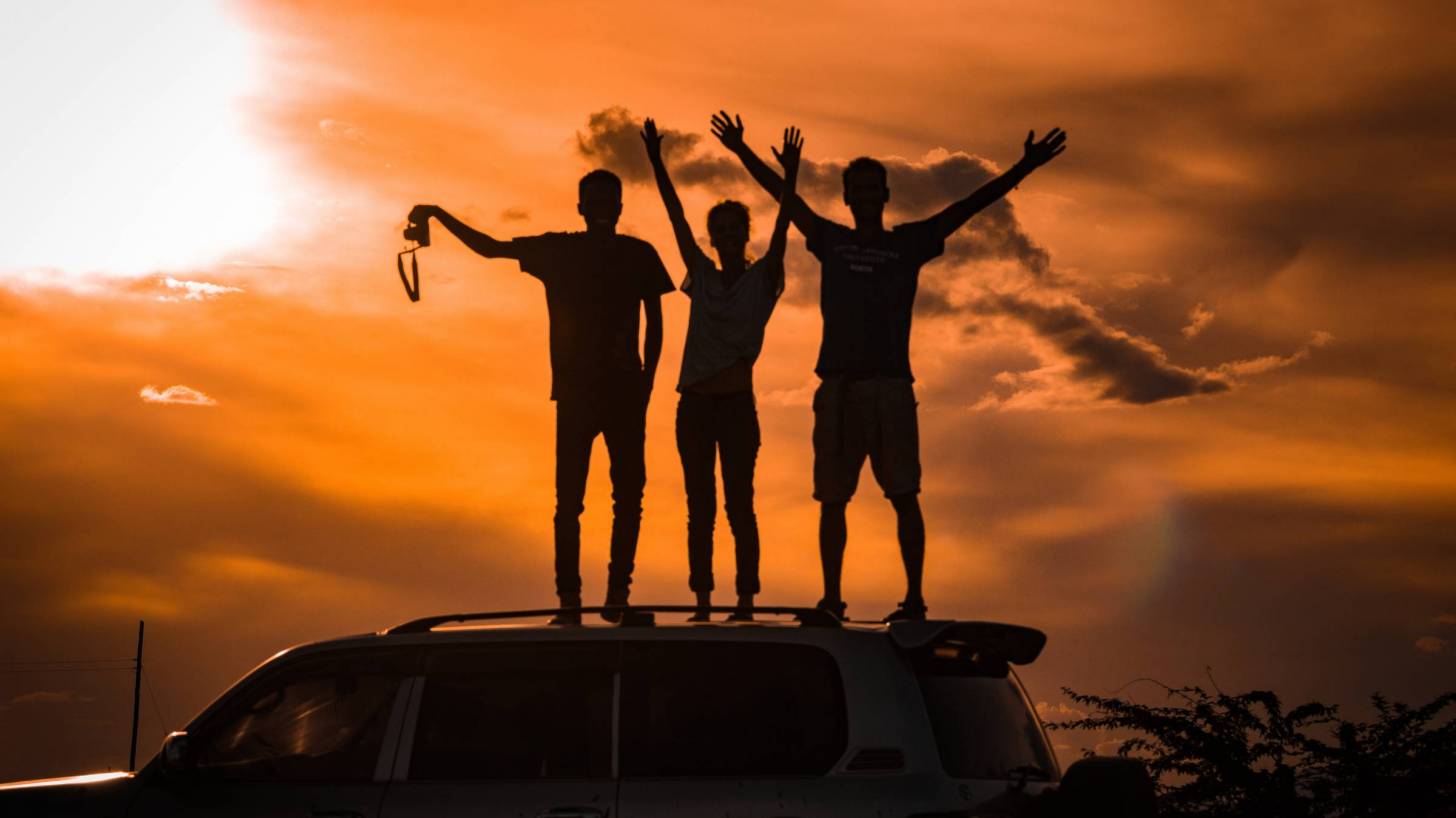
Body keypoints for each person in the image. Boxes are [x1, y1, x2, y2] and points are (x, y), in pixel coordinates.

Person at [712, 110, 1066, 621]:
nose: (866, 196)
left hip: (892, 388)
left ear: (885, 196)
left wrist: (1023, 167)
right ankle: (832, 600)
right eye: (857, 188)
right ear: (848, 196)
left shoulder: (907, 244)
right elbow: (787, 202)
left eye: (874, 188)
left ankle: (915, 600)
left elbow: (969, 206)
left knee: (903, 493)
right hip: (838, 386)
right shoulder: (832, 240)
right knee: (832, 499)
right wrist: (742, 151)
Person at [408, 170, 674, 624]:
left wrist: (647, 383)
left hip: (624, 392)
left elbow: (656, 321)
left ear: (619, 206)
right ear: (581, 206)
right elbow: (491, 247)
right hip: (575, 394)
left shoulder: (638, 254)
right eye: (594, 199)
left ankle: (616, 597)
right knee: (569, 501)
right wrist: (437, 213)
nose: (602, 206)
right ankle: (569, 602)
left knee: (628, 496)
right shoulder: (559, 249)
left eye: (610, 198)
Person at [641, 117, 801, 622]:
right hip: (694, 405)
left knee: (739, 505)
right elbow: (674, 220)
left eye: (735, 231)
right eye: (721, 231)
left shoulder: (761, 281)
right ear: (712, 239)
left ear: (743, 236)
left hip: (735, 406)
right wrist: (656, 161)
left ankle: (746, 601)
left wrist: (789, 174)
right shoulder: (703, 278)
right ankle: (704, 602)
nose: (728, 237)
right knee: (700, 508)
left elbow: (784, 225)